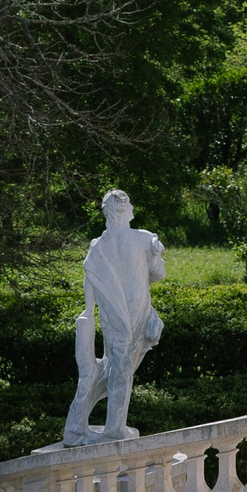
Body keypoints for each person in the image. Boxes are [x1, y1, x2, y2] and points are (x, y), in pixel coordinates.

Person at [62, 188, 165, 444]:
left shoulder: (98, 245)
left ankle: (78, 423)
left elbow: (90, 280)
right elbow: (158, 274)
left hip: (112, 315)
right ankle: (113, 431)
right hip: (135, 312)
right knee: (119, 371)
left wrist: (89, 310)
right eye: (129, 205)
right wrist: (156, 254)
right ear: (124, 209)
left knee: (113, 369)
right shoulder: (144, 239)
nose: (132, 210)